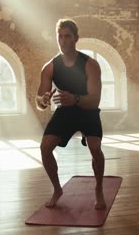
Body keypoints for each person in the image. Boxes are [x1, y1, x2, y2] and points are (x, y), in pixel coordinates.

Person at [35, 18, 106, 210]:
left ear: (76, 38)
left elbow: (95, 100)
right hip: (65, 112)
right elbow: (40, 101)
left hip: (87, 111)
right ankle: (57, 189)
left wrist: (74, 98)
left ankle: (99, 187)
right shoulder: (49, 67)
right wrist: (43, 100)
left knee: (95, 148)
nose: (63, 40)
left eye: (67, 36)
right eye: (60, 36)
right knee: (44, 148)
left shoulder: (90, 64)